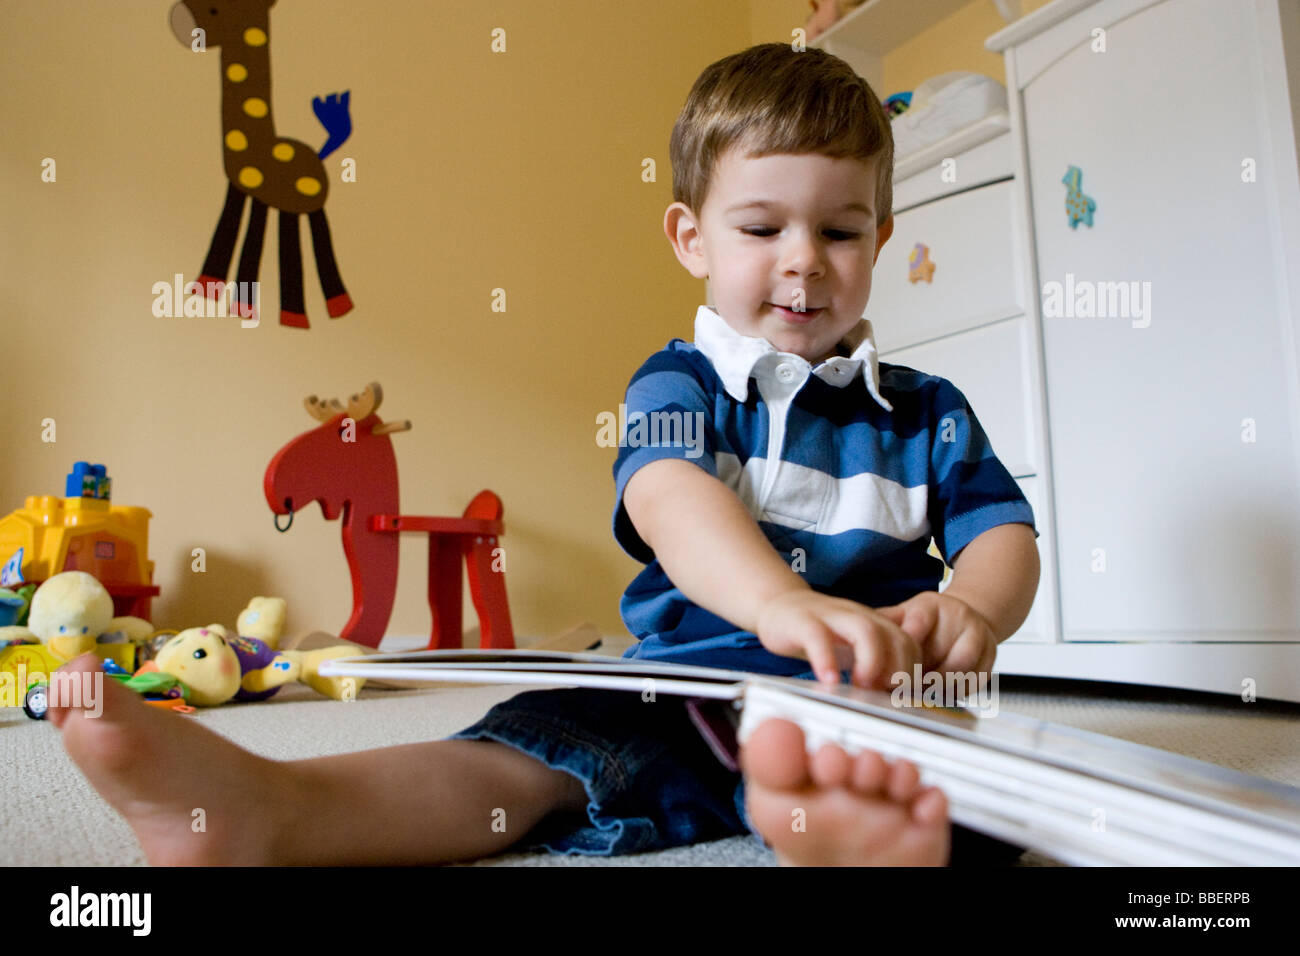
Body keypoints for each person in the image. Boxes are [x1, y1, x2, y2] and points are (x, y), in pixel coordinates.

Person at [49, 42, 1040, 867]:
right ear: (690, 237)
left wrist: (972, 610)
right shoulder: (677, 382)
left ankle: (829, 819)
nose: (803, 257)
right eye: (760, 226)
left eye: (839, 228)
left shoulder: (928, 410)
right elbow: (668, 494)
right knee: (524, 753)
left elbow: (1004, 532)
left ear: (881, 238)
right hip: (682, 693)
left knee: (981, 777)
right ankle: (269, 805)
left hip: (870, 700)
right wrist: (778, 604)